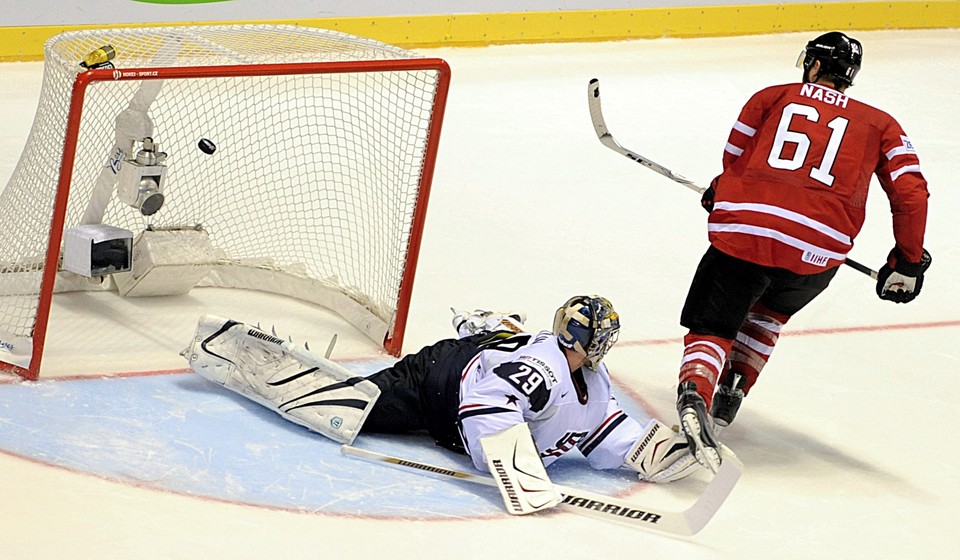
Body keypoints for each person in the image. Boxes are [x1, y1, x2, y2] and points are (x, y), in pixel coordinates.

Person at [677, 31, 931, 472]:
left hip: (747, 233)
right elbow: (911, 194)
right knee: (769, 313)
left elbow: (734, 160)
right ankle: (736, 383)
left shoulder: (772, 97)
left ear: (813, 65)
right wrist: (908, 261)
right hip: (817, 251)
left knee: (714, 321)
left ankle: (696, 391)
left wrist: (724, 191)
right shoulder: (881, 123)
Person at [183, 295, 699, 486]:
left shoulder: (592, 377)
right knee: (344, 407)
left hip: (469, 372)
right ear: (577, 337)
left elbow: (600, 424)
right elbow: (486, 405)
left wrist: (645, 451)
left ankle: (491, 325)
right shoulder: (542, 370)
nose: (607, 343)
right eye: (600, 335)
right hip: (435, 381)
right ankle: (242, 353)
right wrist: (509, 461)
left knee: (501, 340)